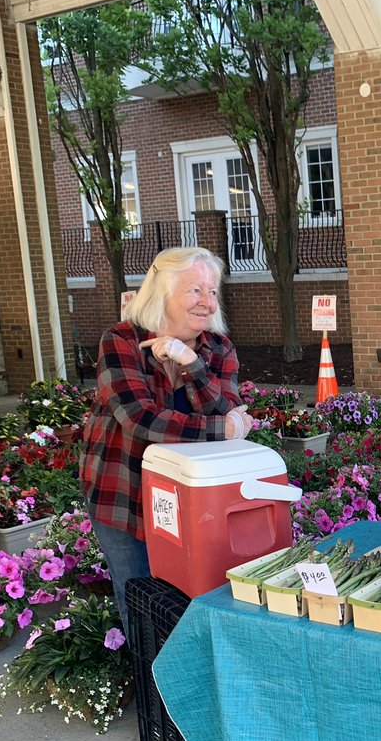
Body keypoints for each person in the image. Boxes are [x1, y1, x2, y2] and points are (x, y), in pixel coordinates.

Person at [79, 247, 255, 633]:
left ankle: (187, 679)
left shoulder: (218, 348)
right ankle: (152, 687)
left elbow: (226, 406)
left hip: (191, 499)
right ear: (162, 292)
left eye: (212, 292)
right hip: (122, 491)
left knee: (194, 592)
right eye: (195, 290)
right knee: (138, 595)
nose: (207, 302)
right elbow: (139, 419)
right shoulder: (121, 341)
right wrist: (219, 429)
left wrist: (190, 363)